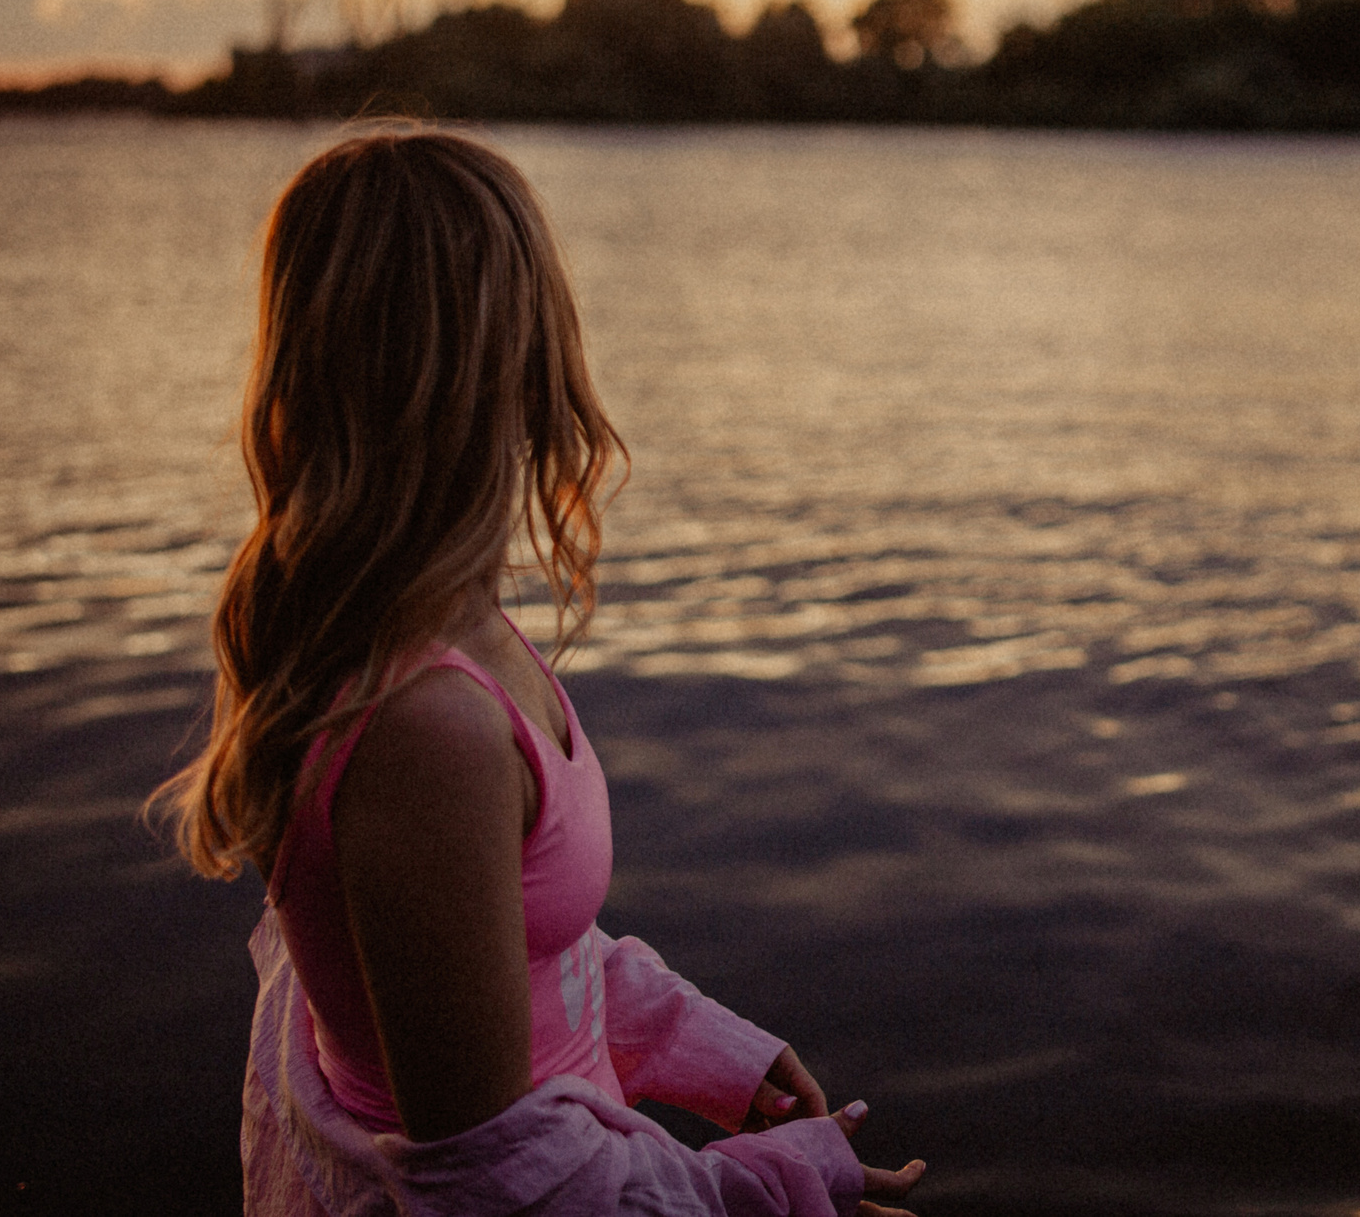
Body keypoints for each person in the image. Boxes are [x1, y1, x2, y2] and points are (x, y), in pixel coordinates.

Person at [157, 127, 922, 1217]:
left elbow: (522, 951)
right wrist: (779, 1189)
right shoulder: (424, 726)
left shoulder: (450, 630)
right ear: (507, 359)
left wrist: (705, 1048)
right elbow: (495, 1173)